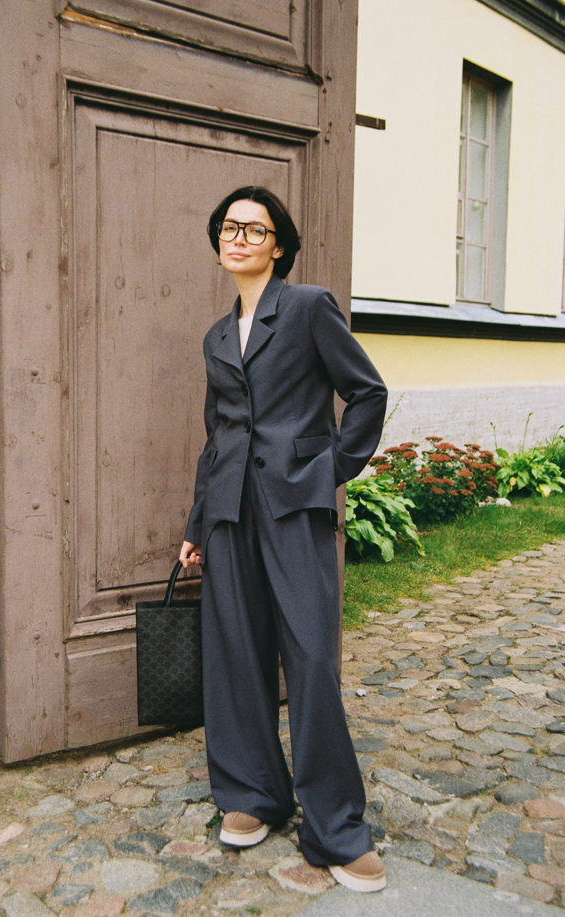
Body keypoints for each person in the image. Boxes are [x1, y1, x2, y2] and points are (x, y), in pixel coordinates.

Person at [179, 186, 388, 892]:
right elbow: (217, 436)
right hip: (229, 513)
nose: (237, 237)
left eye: (253, 228)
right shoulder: (216, 336)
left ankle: (336, 825)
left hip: (294, 508)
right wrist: (196, 524)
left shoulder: (306, 308)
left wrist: (329, 469)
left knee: (311, 657)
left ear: (278, 245)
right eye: (228, 227)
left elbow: (367, 392)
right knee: (236, 656)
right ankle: (253, 793)